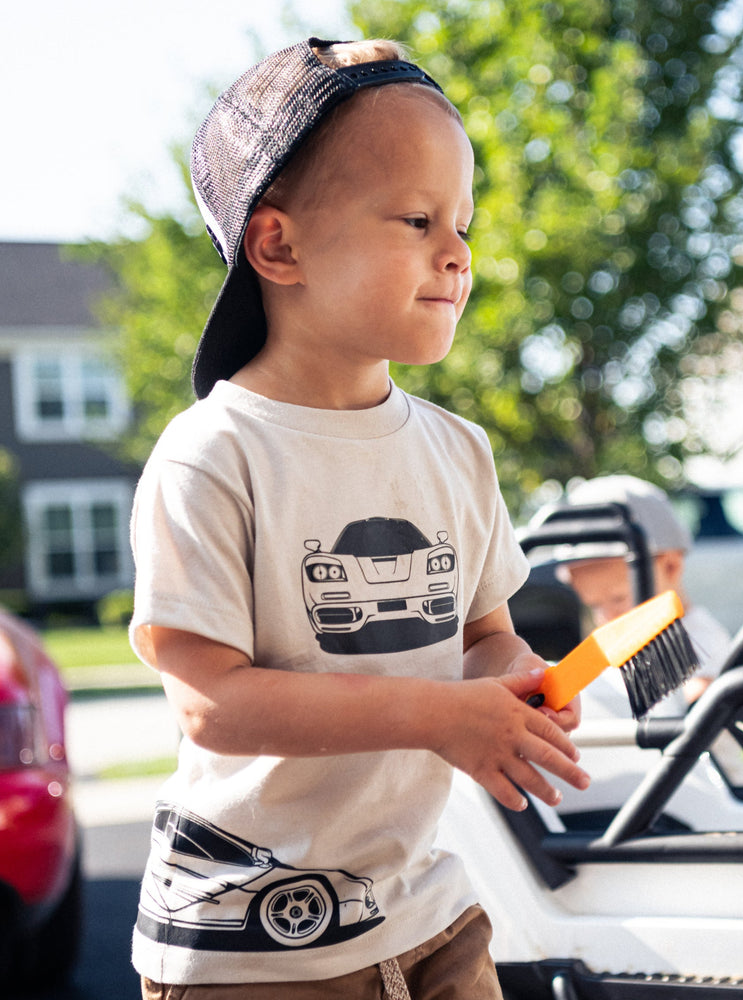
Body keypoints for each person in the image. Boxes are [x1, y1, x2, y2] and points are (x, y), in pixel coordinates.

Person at [127, 37, 588, 1000]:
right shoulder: (214, 454)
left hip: (425, 907)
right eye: (418, 219)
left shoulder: (458, 451)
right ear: (278, 244)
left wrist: (514, 686)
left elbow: (483, 639)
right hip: (251, 943)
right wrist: (438, 717)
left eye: (462, 222)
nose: (457, 254)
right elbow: (213, 700)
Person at [551, 474, 730, 712]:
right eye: (594, 605)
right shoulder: (621, 646)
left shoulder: (699, 638)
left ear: (670, 566)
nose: (608, 616)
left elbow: (698, 704)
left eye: (618, 598)